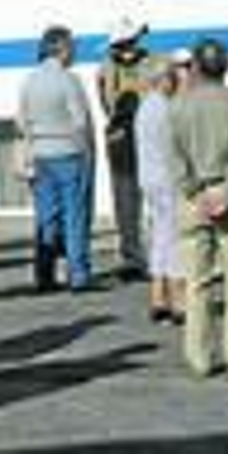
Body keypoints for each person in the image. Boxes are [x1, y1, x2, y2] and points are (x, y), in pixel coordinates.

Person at [170, 37, 228, 377]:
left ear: (194, 66)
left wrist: (194, 192)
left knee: (197, 281)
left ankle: (200, 357)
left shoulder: (177, 106)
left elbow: (173, 157)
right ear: (225, 66)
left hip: (194, 198)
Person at [17, 25, 97, 293]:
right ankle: (78, 274)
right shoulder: (68, 80)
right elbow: (80, 121)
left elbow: (21, 121)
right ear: (60, 48)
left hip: (40, 154)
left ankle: (44, 273)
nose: (74, 51)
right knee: (74, 215)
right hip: (68, 152)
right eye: (71, 46)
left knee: (46, 217)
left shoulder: (30, 80)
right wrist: (87, 149)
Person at [98, 18, 151, 280]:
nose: (134, 46)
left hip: (147, 133)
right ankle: (131, 257)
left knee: (157, 196)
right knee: (125, 198)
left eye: (135, 40)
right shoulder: (107, 67)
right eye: (129, 41)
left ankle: (160, 256)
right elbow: (106, 102)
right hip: (121, 133)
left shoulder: (151, 62)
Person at [135, 55, 186, 324]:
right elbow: (173, 149)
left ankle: (158, 297)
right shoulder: (164, 108)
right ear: (162, 79)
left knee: (160, 236)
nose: (176, 79)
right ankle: (178, 299)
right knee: (175, 238)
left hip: (150, 178)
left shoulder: (146, 107)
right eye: (172, 75)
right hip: (167, 178)